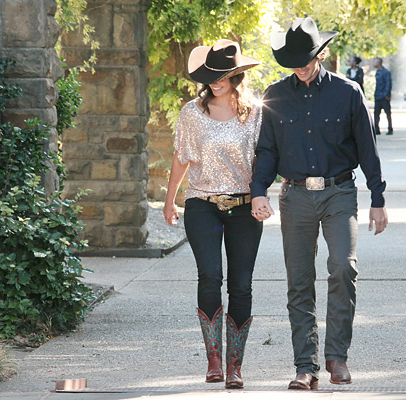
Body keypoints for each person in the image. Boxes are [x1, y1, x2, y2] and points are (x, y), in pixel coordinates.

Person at [249, 17, 388, 390]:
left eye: (305, 58)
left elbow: (367, 149)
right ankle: (304, 367)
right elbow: (266, 151)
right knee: (299, 281)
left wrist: (378, 197)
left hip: (340, 193)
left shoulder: (348, 92)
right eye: (293, 60)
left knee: (343, 268)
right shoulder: (275, 95)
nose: (299, 66)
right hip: (294, 196)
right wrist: (258, 190)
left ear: (320, 53)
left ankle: (337, 357)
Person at [163, 39, 263, 389]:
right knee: (209, 277)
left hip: (244, 207)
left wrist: (263, 196)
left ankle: (236, 365)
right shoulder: (192, 111)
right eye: (209, 75)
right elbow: (182, 156)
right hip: (201, 204)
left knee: (242, 285)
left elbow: (265, 161)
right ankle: (214, 360)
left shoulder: (255, 112)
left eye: (222, 74)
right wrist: (169, 199)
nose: (215, 81)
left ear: (237, 74)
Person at [373, 57, 393, 135]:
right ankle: (376, 129)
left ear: (379, 63)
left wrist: (386, 95)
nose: (374, 63)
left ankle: (390, 129)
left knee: (388, 113)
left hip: (384, 97)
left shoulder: (386, 72)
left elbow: (388, 84)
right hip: (377, 96)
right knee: (376, 114)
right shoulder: (377, 72)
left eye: (375, 62)